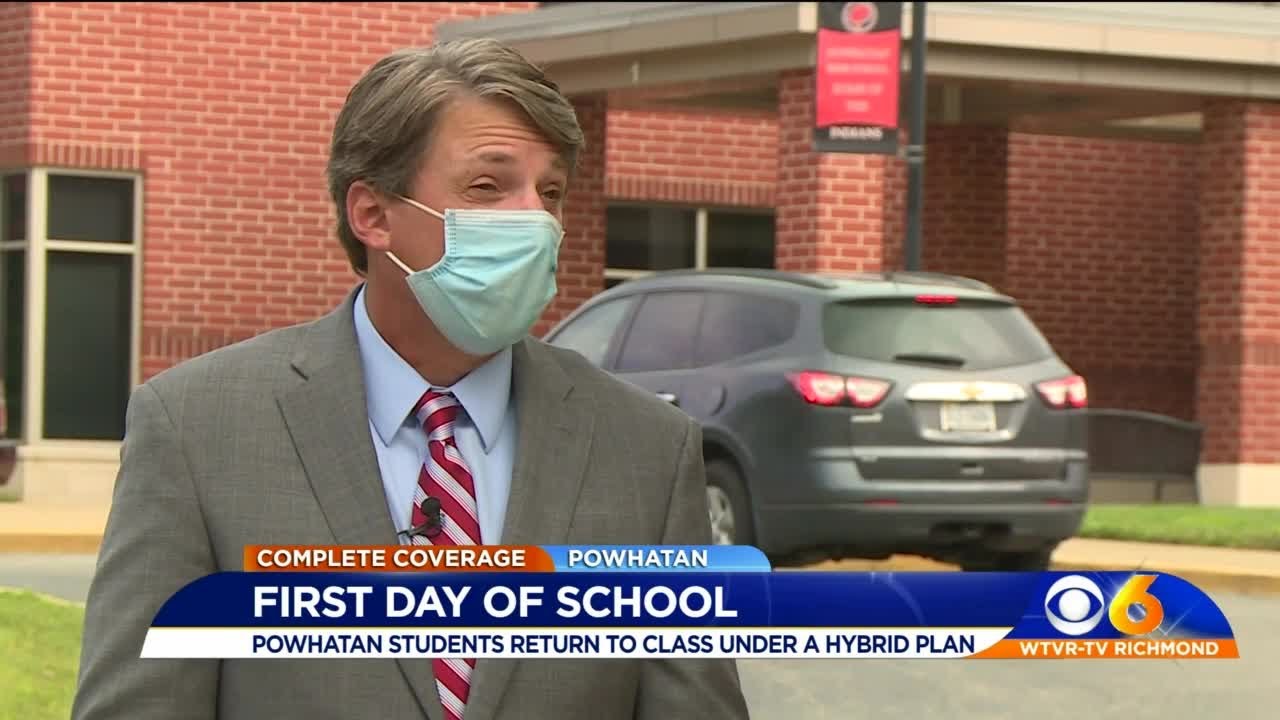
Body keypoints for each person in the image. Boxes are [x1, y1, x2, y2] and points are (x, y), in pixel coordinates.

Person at [71, 37, 752, 720]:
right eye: (488, 186)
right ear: (371, 214)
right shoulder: (198, 429)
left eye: (550, 193)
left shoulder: (646, 450)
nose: (535, 222)